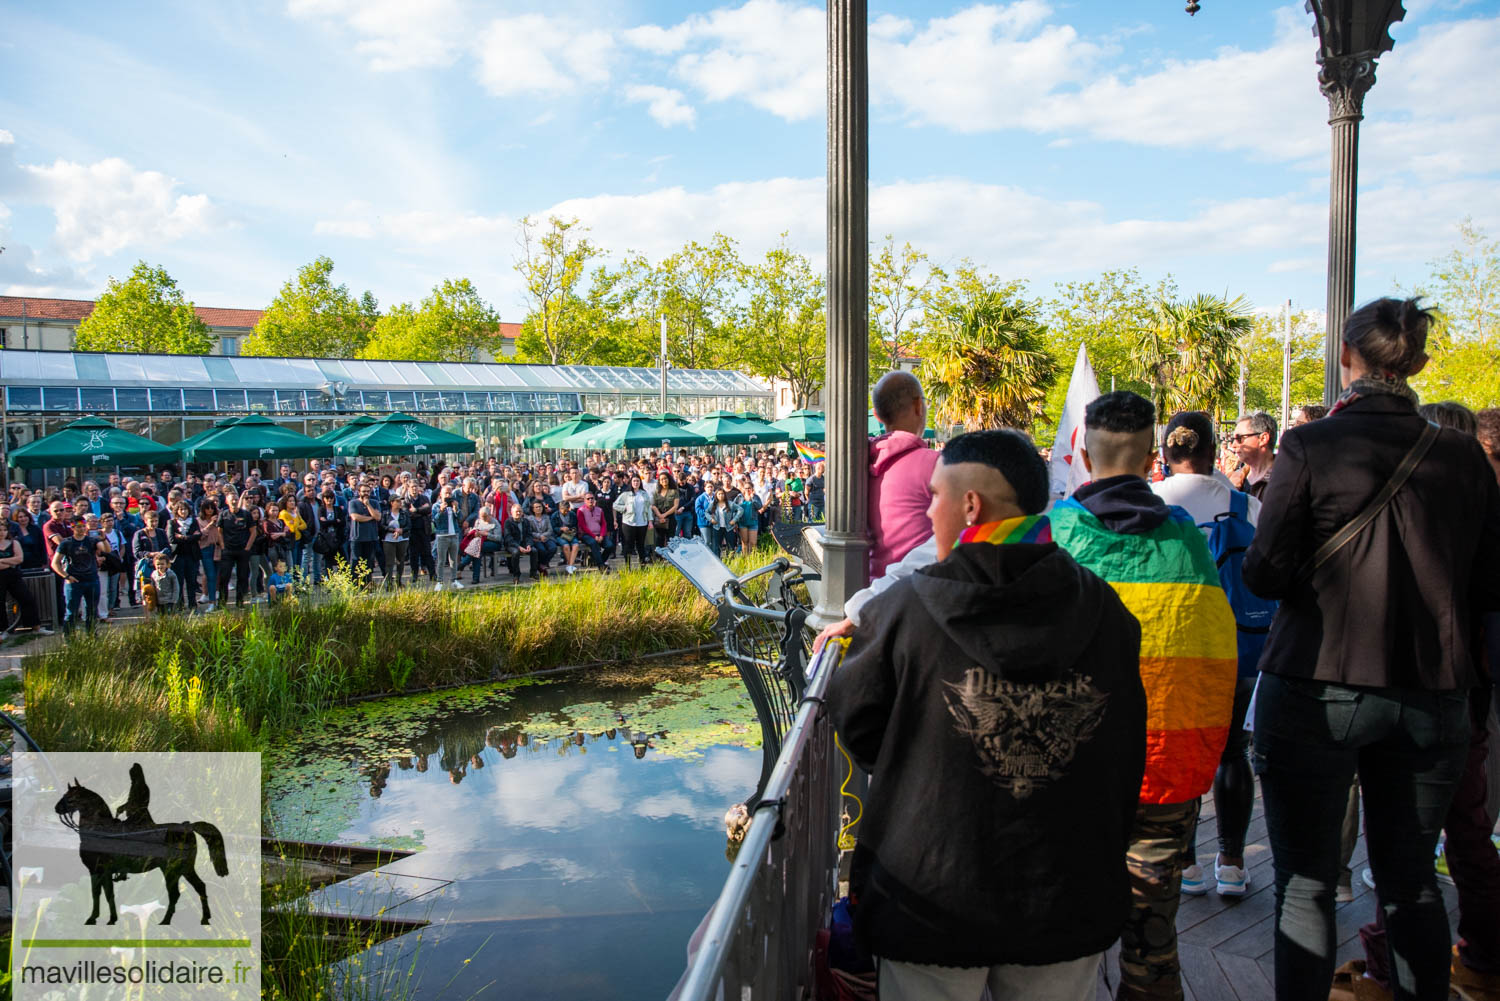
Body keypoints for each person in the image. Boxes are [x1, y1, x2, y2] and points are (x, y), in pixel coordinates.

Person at [827, 429, 1147, 1001]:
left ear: (970, 504)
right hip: (1064, 885)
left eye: (933, 497)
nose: (929, 511)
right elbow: (1124, 740)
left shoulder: (903, 609)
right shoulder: (1106, 608)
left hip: (931, 884)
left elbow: (859, 722)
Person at [1243, 297, 1500, 1001]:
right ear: (1416, 363)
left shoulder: (1310, 446)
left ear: (1348, 357)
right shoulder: (1460, 455)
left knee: (1306, 882)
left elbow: (1264, 570)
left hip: (1318, 679)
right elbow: (1489, 579)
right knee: (1410, 879)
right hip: (1432, 692)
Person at [1047, 391, 1238, 1000]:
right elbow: (1213, 660)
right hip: (1168, 760)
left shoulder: (1053, 538)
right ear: (1152, 453)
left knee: (1057, 921)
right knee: (1153, 933)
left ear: (1080, 448)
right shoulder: (1189, 545)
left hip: (1068, 769)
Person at [1151, 411, 1263, 898]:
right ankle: (1233, 863)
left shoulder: (1148, 505)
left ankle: (1188, 861)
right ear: (1215, 451)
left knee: (1176, 750)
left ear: (1164, 454)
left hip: (1170, 648)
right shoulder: (1244, 507)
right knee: (1233, 751)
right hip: (1236, 646)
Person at [868, 371, 941, 577]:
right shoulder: (936, 464)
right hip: (918, 589)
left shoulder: (860, 462)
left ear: (877, 415)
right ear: (919, 405)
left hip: (869, 590)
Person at [52, 516, 107, 633]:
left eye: (83, 526)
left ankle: (92, 635)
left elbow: (105, 550)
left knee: (92, 610)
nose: (81, 529)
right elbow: (55, 563)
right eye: (78, 527)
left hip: (91, 579)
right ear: (72, 528)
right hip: (74, 581)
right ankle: (69, 639)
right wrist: (66, 576)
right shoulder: (66, 543)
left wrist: (103, 539)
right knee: (71, 612)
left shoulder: (91, 541)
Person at [0, 520, 50, 638]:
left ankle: (35, 626)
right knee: (0, 603)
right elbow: (14, 560)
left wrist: (2, 561)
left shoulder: (14, 543)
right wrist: (10, 562)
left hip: (14, 575)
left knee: (27, 598)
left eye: (4, 530)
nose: (1, 532)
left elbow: (19, 559)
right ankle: (3, 630)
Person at [217, 497, 258, 609]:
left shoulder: (246, 514)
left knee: (243, 577)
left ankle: (239, 602)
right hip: (228, 550)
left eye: (235, 499)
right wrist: (223, 546)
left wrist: (247, 547)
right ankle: (222, 603)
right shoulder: (224, 514)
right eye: (231, 500)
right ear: (227, 501)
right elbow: (219, 531)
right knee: (224, 577)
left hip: (242, 550)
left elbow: (253, 531)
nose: (234, 501)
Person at [1227, 411, 1277, 499]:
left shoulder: (1285, 480)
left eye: (1239, 438)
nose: (1233, 445)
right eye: (1233, 439)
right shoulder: (1234, 478)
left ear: (1263, 438)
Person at [166, 501, 203, 611]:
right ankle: (180, 605)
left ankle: (192, 605)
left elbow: (198, 536)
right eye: (181, 509)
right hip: (178, 556)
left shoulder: (194, 521)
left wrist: (183, 537)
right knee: (179, 582)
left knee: (191, 582)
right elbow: (172, 539)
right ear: (176, 511)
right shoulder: (172, 522)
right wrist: (190, 537)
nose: (183, 511)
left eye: (185, 509)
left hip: (192, 556)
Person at [614, 476, 651, 570]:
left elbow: (648, 508)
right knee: (628, 545)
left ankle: (642, 566)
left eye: (637, 481)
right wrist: (624, 509)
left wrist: (650, 521)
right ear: (631, 482)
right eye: (634, 481)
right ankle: (627, 567)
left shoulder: (644, 493)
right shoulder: (626, 494)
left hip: (642, 522)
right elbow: (615, 505)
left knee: (641, 545)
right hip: (629, 523)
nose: (636, 483)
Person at [431, 485, 465, 590]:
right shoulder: (436, 505)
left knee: (453, 560)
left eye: (450, 493)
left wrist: (456, 509)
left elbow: (460, 519)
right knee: (441, 560)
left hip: (454, 534)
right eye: (446, 493)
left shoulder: (454, 504)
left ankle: (454, 580)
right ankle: (440, 581)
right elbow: (435, 520)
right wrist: (441, 510)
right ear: (441, 494)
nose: (448, 495)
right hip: (442, 535)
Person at [348, 484, 380, 585]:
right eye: (363, 491)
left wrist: (368, 505)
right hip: (357, 537)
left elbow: (378, 517)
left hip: (371, 537)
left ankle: (367, 583)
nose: (366, 493)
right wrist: (371, 518)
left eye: (368, 491)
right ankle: (355, 584)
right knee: (355, 562)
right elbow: (355, 517)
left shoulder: (374, 503)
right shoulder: (353, 502)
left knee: (369, 562)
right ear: (359, 492)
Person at [576, 492, 611, 572]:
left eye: (592, 498)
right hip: (586, 534)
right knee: (593, 543)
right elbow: (583, 526)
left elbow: (603, 524)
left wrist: (602, 535)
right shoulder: (580, 511)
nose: (590, 500)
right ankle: (601, 566)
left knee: (610, 545)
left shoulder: (599, 510)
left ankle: (598, 561)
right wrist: (594, 536)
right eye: (588, 499)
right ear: (584, 500)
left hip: (599, 534)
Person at [380, 497, 410, 590]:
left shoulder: (404, 513)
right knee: (389, 562)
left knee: (401, 561)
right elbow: (382, 525)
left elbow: (409, 525)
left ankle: (398, 581)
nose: (400, 503)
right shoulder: (386, 513)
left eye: (400, 501)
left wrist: (401, 530)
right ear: (391, 502)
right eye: (397, 501)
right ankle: (389, 584)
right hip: (389, 539)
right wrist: (393, 530)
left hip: (402, 539)